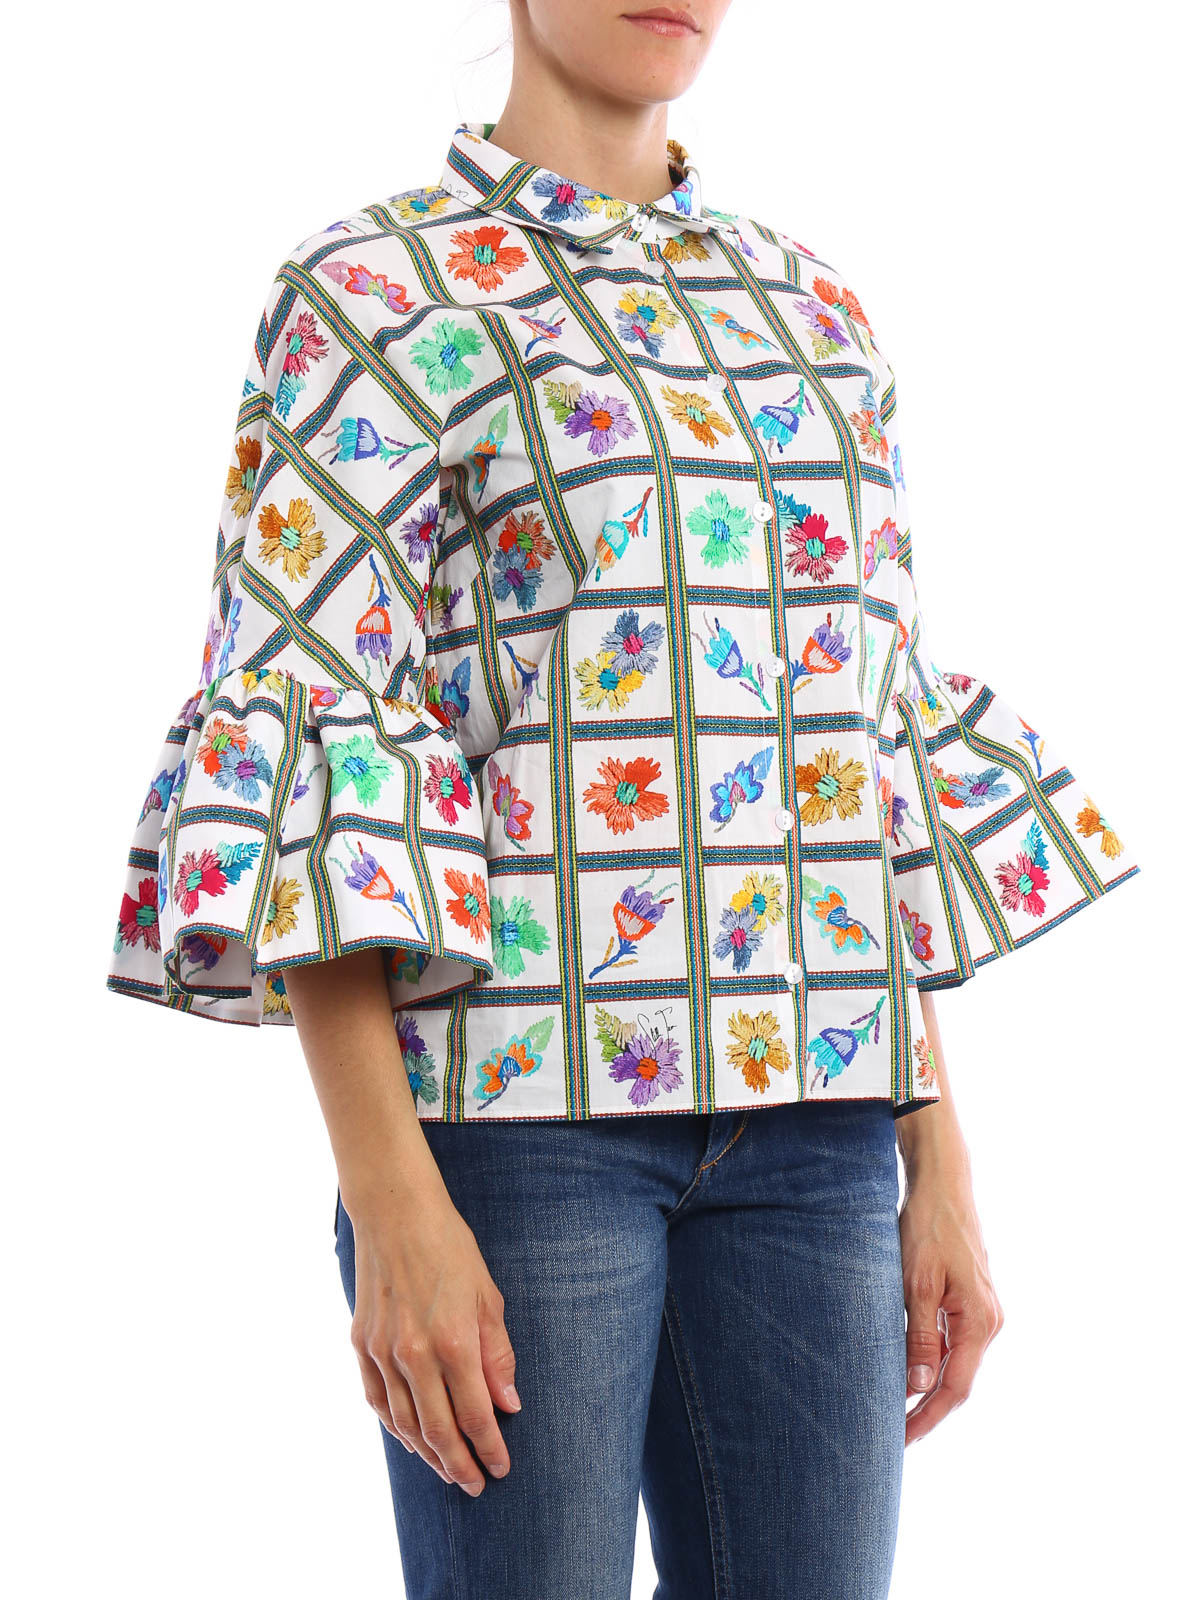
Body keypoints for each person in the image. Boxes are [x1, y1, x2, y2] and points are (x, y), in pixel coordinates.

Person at [105, 2, 1140, 1594]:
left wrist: (939, 1159)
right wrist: (391, 1197)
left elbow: (856, 750)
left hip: (820, 1133)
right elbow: (315, 732)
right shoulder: (375, 291)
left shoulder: (813, 309)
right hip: (520, 1132)